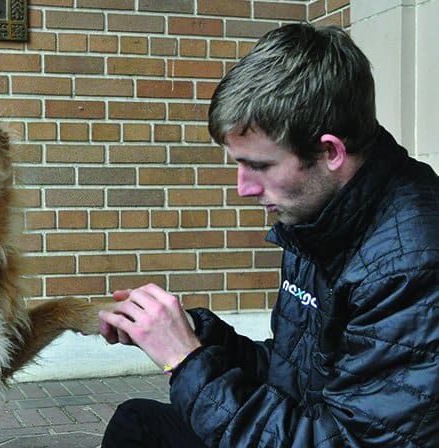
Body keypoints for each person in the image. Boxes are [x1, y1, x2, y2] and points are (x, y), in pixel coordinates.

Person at [98, 23, 439, 447]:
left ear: (330, 152)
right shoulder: (318, 215)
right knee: (139, 425)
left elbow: (344, 440)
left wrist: (185, 361)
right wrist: (190, 333)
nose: (243, 187)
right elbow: (290, 373)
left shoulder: (411, 263)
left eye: (258, 166)